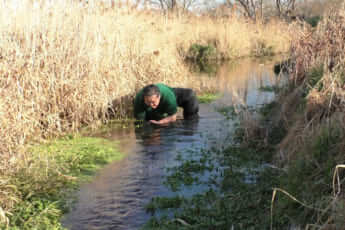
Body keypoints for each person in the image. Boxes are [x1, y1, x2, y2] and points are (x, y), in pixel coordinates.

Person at [133, 83, 199, 125]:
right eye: (148, 102)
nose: (151, 104)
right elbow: (140, 121)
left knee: (190, 122)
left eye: (153, 102)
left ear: (159, 97)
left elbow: (173, 117)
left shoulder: (168, 97)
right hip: (162, 101)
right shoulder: (138, 100)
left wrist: (160, 122)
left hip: (176, 95)